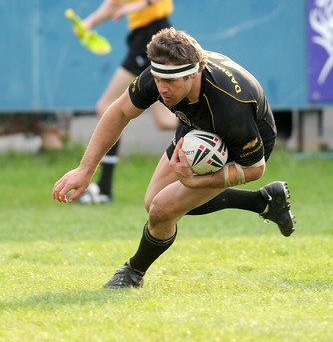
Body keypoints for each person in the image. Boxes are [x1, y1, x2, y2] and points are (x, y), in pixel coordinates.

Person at [53, 27, 296, 289]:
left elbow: (255, 168)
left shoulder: (230, 107)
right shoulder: (163, 73)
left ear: (193, 74)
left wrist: (195, 182)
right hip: (197, 126)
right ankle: (264, 201)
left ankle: (132, 272)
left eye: (170, 83)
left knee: (162, 210)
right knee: (153, 202)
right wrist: (85, 170)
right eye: (158, 80)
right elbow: (119, 112)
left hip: (244, 145)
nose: (162, 89)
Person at [76, 0, 190, 204]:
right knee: (164, 120)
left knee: (107, 106)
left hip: (155, 34)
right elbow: (114, 1)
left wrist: (143, 3)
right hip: (139, 37)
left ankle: (104, 188)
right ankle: (217, 133)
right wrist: (90, 22)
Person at [0, 0, 63, 150]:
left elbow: (54, 13)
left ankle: (54, 161)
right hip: (4, 67)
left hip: (29, 66)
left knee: (47, 127)